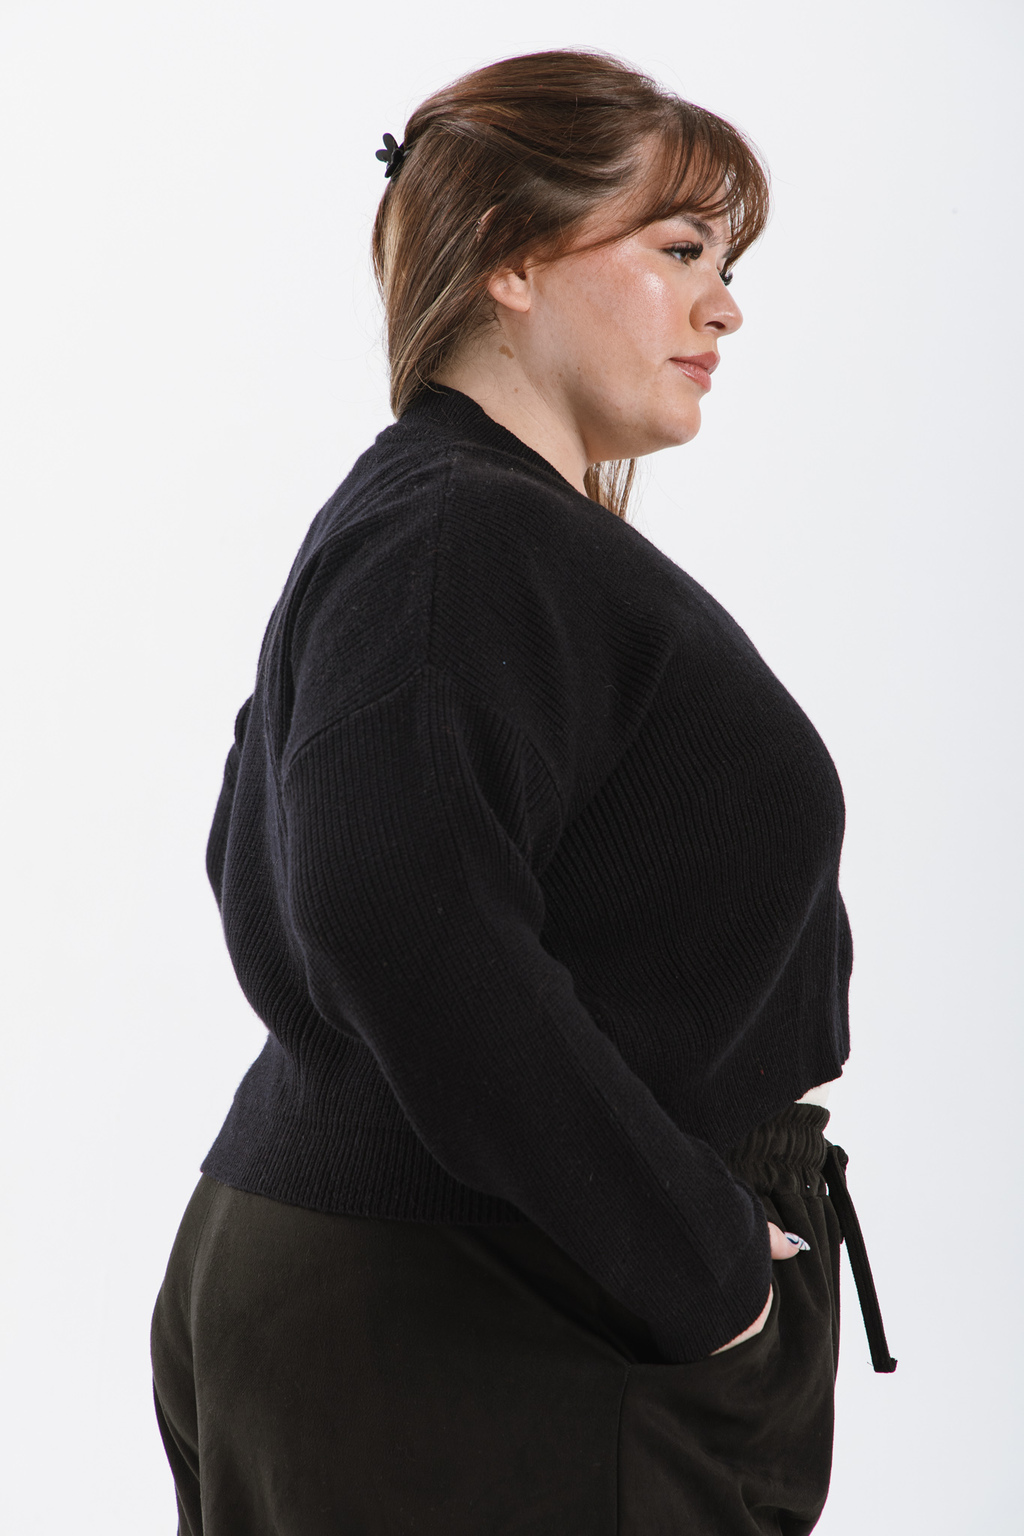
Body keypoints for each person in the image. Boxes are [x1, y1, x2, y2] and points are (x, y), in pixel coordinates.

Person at [150, 48, 894, 1536]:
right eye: (677, 250)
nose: (724, 306)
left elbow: (273, 869)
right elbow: (378, 906)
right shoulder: (459, 538)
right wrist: (700, 1268)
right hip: (494, 1320)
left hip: (439, 1292)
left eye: (727, 264)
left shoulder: (438, 525)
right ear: (508, 258)